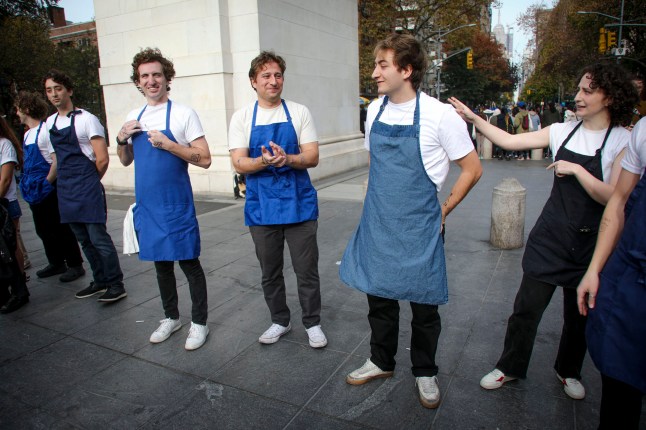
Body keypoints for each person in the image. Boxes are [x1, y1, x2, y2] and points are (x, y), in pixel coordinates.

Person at [449, 62, 638, 400]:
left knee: (578, 315)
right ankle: (510, 366)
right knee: (525, 309)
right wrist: (474, 119)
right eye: (578, 89)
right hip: (550, 237)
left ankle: (569, 371)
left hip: (591, 244)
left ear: (608, 97)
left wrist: (579, 170)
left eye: (586, 91)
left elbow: (615, 196)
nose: (578, 97)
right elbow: (508, 140)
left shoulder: (624, 138)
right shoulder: (562, 130)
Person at [340, 33, 482, 409]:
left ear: (406, 69)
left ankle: (425, 371)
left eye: (382, 65)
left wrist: (445, 209)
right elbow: (376, 163)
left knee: (424, 305)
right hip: (379, 222)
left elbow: (472, 168)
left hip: (421, 226)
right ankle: (381, 360)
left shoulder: (439, 115)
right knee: (379, 300)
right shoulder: (374, 110)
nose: (374, 73)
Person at [228, 51, 327, 349]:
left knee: (306, 270)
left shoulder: (299, 112)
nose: (273, 81)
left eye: (278, 75)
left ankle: (313, 323)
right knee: (270, 272)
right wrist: (265, 161)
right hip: (261, 207)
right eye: (266, 76)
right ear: (253, 82)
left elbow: (313, 156)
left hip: (300, 204)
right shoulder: (242, 118)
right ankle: (279, 321)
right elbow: (239, 163)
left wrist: (288, 158)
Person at [116, 48, 211, 350]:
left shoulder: (183, 114)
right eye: (145, 76)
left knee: (189, 264)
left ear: (167, 78)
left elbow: (205, 159)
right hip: (149, 206)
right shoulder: (134, 117)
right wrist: (120, 140)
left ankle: (199, 323)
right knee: (161, 266)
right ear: (138, 82)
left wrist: (170, 145)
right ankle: (171, 317)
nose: (151, 80)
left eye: (157, 74)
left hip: (176, 204)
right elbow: (125, 160)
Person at [577, 116, 646, 429]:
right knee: (620, 379)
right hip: (632, 275)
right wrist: (595, 269)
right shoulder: (644, 130)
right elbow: (618, 201)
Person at [43, 70, 126, 303]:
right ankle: (99, 281)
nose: (54, 94)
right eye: (49, 90)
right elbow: (57, 158)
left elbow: (102, 159)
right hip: (66, 188)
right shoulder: (50, 123)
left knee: (99, 239)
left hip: (87, 185)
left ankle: (116, 283)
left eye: (58, 88)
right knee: (83, 240)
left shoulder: (87, 119)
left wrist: (89, 182)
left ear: (68, 90)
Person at [14, 91, 85, 283]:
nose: (16, 113)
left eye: (18, 109)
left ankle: (74, 264)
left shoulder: (45, 131)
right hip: (35, 190)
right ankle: (56, 262)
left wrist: (46, 183)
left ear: (27, 109)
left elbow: (56, 161)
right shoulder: (28, 133)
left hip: (48, 188)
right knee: (43, 229)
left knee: (61, 227)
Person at [0, 115, 29, 313]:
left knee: (11, 246)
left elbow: (5, 179)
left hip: (5, 204)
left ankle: (20, 287)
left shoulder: (4, 145)